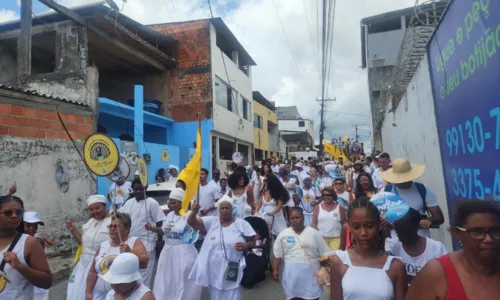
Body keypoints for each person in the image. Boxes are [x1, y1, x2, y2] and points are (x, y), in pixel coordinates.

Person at [407, 199, 500, 299]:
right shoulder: (436, 274)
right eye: (477, 232)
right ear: (457, 234)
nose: (489, 239)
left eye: (495, 231)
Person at [330, 197, 407, 300]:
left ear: (379, 225)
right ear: (350, 228)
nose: (363, 233)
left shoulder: (395, 266)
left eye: (369, 226)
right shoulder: (339, 261)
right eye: (356, 227)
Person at [187, 196, 256, 300]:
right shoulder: (211, 222)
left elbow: (255, 241)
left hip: (233, 270)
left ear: (232, 209)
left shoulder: (241, 224)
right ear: (218, 210)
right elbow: (192, 223)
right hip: (214, 271)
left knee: (233, 296)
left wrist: (246, 245)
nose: (224, 211)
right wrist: (194, 212)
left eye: (227, 208)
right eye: (222, 208)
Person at [146, 188, 202, 300]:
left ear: (182, 202)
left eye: (174, 202)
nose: (171, 205)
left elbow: (194, 233)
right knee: (166, 280)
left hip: (184, 252)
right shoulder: (170, 215)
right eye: (170, 202)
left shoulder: (190, 215)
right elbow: (164, 230)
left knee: (183, 280)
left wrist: (194, 212)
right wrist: (152, 229)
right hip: (168, 252)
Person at [272, 207, 332, 300]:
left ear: (303, 218)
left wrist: (328, 267)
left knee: (312, 297)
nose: (295, 220)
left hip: (311, 276)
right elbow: (277, 254)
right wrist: (275, 269)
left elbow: (325, 253)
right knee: (294, 296)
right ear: (289, 220)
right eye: (292, 218)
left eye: (297, 217)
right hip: (292, 275)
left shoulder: (313, 233)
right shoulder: (284, 234)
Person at [86, 213, 148, 300]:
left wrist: (130, 251)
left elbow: (144, 264)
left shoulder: (134, 242)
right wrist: (88, 292)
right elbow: (93, 271)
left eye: (116, 226)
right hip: (99, 296)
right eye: (110, 226)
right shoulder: (103, 245)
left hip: (123, 296)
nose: (112, 229)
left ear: (126, 229)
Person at [0, 197, 52, 300]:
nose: (14, 215)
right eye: (8, 212)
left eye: (19, 212)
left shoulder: (30, 243)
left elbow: (47, 282)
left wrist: (20, 266)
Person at [119, 179, 166, 288]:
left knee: (144, 274)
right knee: (131, 272)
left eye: (141, 189)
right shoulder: (129, 202)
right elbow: (121, 217)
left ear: (145, 189)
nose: (139, 191)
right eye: (136, 189)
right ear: (133, 190)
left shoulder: (152, 203)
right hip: (131, 242)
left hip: (147, 242)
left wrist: (159, 241)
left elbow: (159, 221)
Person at [381, 158, 444, 238]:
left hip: (421, 240)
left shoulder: (422, 190)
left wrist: (428, 221)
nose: (403, 181)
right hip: (396, 242)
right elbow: (375, 217)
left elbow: (439, 217)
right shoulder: (386, 192)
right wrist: (383, 219)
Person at [385, 208, 447, 287]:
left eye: (404, 230)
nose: (399, 235)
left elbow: (445, 277)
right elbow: (384, 264)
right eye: (397, 231)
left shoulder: (437, 248)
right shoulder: (393, 245)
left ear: (416, 227)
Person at [66, 195, 111, 300]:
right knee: (78, 293)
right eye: (91, 209)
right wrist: (73, 230)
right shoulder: (89, 223)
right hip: (83, 264)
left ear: (105, 206)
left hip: (101, 265)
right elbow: (83, 242)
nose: (94, 211)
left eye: (97, 208)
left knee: (95, 293)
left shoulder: (113, 223)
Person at [23, 211, 51, 300]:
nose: (31, 228)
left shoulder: (37, 241)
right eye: (28, 225)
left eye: (35, 226)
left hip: (37, 288)